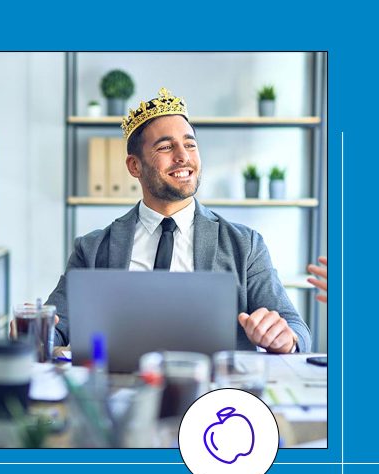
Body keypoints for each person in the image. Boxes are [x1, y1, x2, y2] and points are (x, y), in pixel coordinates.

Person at [47, 88, 311, 353]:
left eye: (190, 144)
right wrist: (37, 334)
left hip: (216, 391)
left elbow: (296, 329)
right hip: (122, 389)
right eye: (165, 147)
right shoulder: (92, 249)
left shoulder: (246, 245)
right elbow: (55, 326)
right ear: (134, 166)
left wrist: (285, 339)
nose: (183, 156)